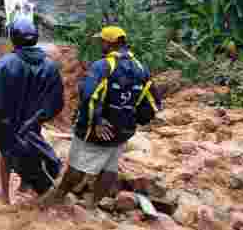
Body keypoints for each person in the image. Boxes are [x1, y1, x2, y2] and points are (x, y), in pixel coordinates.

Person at [43, 26, 160, 208]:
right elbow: (152, 103)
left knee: (78, 166)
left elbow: (89, 94)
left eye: (102, 41)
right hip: (122, 130)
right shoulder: (141, 68)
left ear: (109, 43)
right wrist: (131, 120)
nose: (100, 44)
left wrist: (96, 120)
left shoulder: (103, 66)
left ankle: (57, 199)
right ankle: (93, 204)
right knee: (109, 168)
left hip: (98, 128)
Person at [0, 18, 64, 205]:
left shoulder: (5, 63)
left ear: (13, 39)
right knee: (30, 150)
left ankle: (4, 193)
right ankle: (25, 188)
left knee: (7, 153)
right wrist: (40, 117)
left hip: (9, 122)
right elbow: (56, 101)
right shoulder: (50, 66)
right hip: (33, 123)